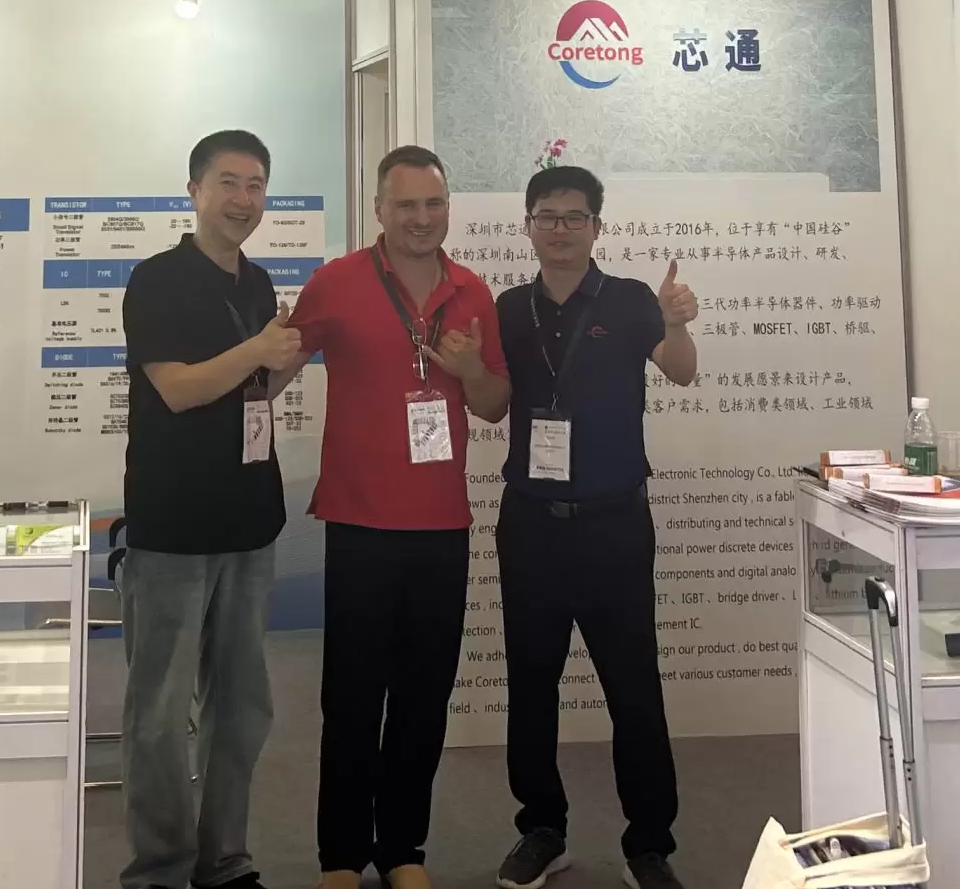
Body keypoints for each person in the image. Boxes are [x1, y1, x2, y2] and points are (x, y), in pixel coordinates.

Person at [289, 144, 511, 889]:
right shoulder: (336, 282)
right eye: (406, 204)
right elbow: (277, 363)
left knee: (423, 698)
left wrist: (468, 369)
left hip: (442, 525)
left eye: (433, 204)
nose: (421, 218)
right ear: (379, 208)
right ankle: (341, 855)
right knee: (352, 698)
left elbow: (493, 404)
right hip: (358, 520)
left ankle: (404, 849)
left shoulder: (472, 292)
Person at [488, 163, 699, 889]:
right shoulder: (508, 308)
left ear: (596, 227)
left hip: (614, 522)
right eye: (546, 216)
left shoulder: (631, 299)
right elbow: (491, 401)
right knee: (532, 683)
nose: (560, 229)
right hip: (531, 524)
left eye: (574, 217)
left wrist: (676, 324)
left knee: (633, 684)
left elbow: (680, 370)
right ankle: (541, 830)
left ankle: (649, 843)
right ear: (528, 226)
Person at [117, 129, 307, 889]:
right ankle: (161, 867)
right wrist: (257, 351)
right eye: (229, 182)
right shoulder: (157, 280)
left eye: (256, 185)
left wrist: (286, 359)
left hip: (249, 520)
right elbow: (177, 388)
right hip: (172, 524)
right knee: (160, 713)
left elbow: (250, 393)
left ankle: (225, 857)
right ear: (195, 190)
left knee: (241, 706)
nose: (243, 199)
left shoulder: (257, 284)